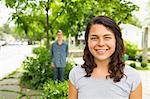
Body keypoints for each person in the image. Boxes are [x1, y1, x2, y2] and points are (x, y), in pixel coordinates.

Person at [68, 16, 142, 99]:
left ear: (116, 41)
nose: (101, 43)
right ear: (87, 41)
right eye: (94, 38)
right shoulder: (76, 74)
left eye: (107, 37)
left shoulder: (133, 77)